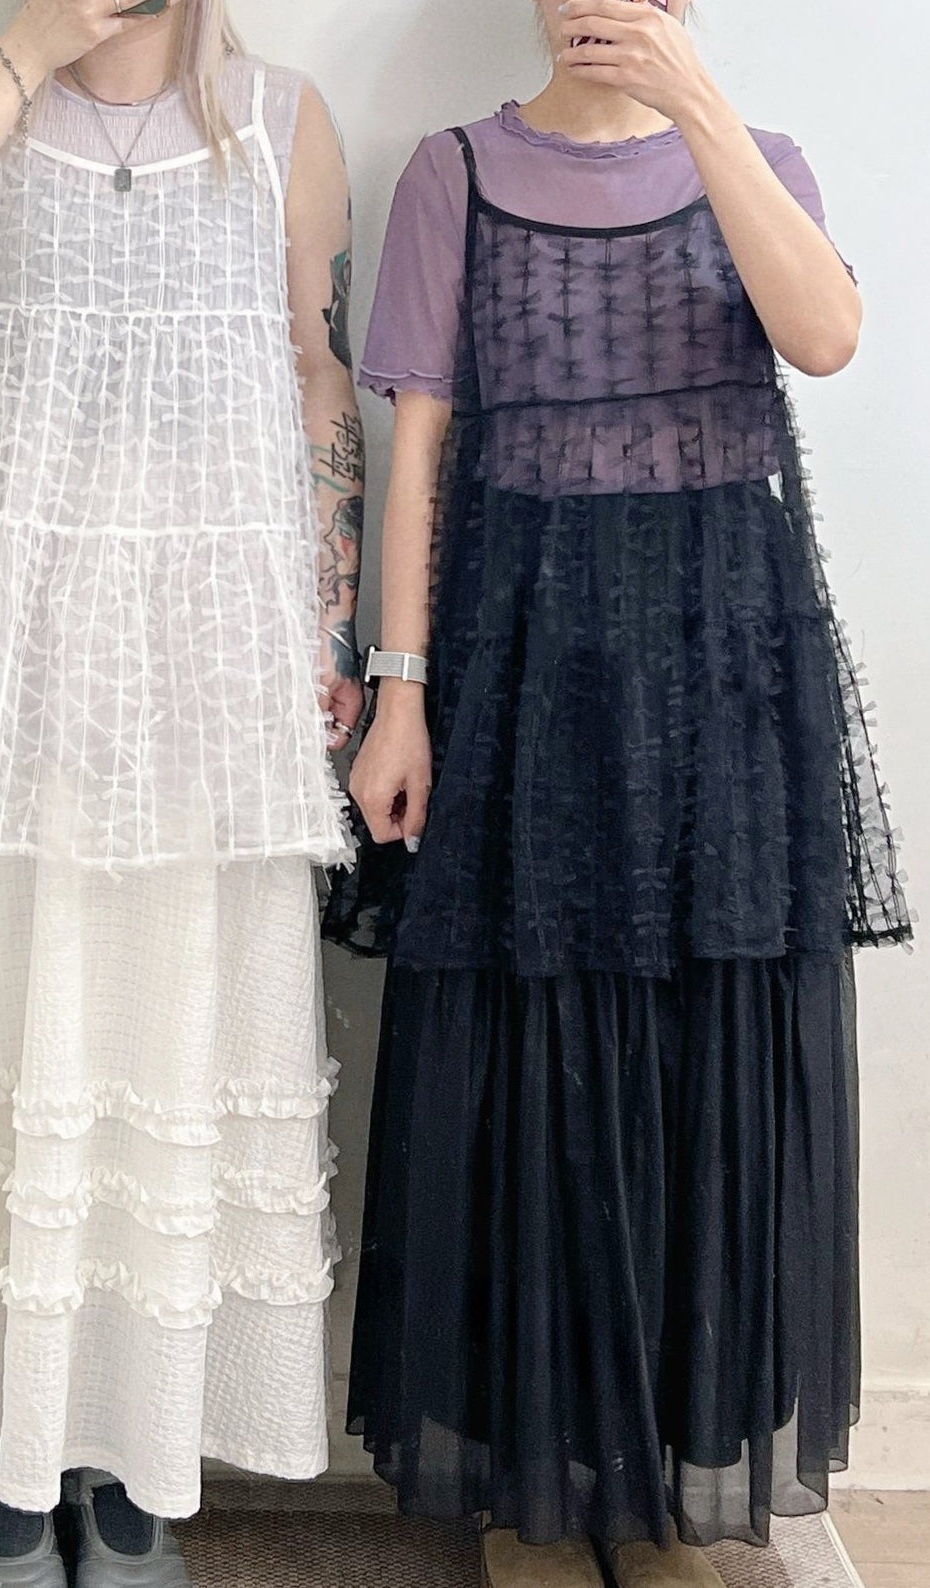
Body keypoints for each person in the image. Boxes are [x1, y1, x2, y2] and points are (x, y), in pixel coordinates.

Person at [326, 2, 910, 1585]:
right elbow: (417, 446)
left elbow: (826, 338)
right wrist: (400, 693)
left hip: (727, 660)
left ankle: (668, 1488)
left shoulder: (758, 157)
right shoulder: (455, 171)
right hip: (520, 655)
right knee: (527, 1049)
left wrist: (701, 111)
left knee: (709, 1049)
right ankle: (540, 1487)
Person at [0, 2, 364, 1584]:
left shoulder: (282, 121)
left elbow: (315, 377)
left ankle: (130, 1474)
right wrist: (29, 49)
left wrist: (328, 617)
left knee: (162, 1054)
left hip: (200, 678)